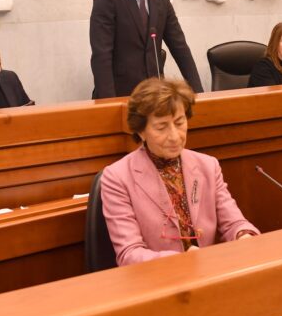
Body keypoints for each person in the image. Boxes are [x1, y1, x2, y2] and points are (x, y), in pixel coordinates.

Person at [100, 78, 259, 266]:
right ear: (141, 131)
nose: (175, 136)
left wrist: (245, 236)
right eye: (161, 127)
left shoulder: (208, 165)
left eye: (179, 122)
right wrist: (183, 261)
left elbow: (234, 223)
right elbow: (129, 254)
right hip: (156, 282)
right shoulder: (117, 177)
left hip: (207, 275)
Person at [89, 0, 204, 98]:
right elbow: (102, 55)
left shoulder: (161, 1)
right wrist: (108, 103)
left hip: (155, 97)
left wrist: (198, 93)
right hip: (120, 96)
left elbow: (181, 49)